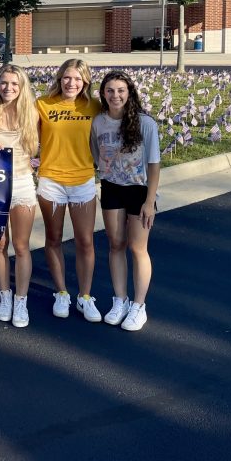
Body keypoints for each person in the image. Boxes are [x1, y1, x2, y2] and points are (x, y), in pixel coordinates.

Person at [90, 70, 160, 332]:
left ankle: (139, 306)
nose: (115, 95)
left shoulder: (145, 123)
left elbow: (154, 164)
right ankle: (120, 300)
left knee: (137, 248)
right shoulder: (98, 122)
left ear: (129, 93)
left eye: (121, 90)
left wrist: (149, 201)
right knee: (116, 245)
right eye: (110, 90)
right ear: (103, 93)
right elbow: (96, 155)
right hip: (111, 187)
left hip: (139, 190)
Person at [36, 58, 103, 321]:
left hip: (83, 180)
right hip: (51, 181)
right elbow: (26, 135)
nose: (71, 83)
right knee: (53, 239)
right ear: (59, 78)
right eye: (67, 77)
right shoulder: (43, 104)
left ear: (85, 81)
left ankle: (85, 296)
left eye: (77, 78)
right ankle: (61, 292)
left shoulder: (95, 106)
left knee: (85, 241)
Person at [0, 65, 39, 328]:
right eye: (4, 83)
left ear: (22, 86)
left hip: (23, 183)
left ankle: (21, 300)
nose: (8, 88)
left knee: (21, 246)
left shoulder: (33, 113)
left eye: (14, 83)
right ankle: (5, 296)